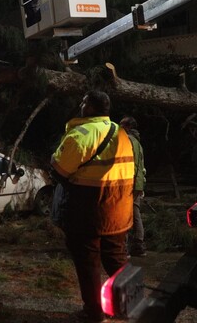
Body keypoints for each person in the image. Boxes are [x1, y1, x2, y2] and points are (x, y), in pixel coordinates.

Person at [50, 90, 135, 323]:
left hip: (87, 212)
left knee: (88, 264)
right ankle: (128, 306)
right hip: (118, 210)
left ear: (91, 108)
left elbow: (58, 170)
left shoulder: (81, 134)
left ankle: (94, 312)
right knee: (117, 260)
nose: (81, 104)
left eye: (85, 101)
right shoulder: (122, 134)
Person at [120, 116, 147, 257]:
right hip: (137, 183)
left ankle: (123, 248)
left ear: (128, 126)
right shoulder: (138, 143)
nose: (119, 127)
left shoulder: (127, 140)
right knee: (135, 215)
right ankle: (139, 246)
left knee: (123, 215)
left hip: (128, 182)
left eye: (122, 124)